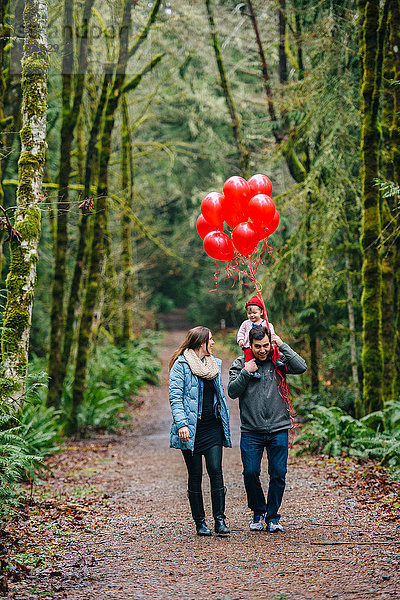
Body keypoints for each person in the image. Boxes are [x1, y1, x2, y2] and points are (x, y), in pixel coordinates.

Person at [228, 326, 307, 533]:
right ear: (250, 345)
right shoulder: (240, 363)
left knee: (278, 473)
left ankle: (272, 516)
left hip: (278, 427)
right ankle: (258, 512)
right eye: (257, 347)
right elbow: (232, 391)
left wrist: (282, 345)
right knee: (251, 472)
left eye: (265, 345)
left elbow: (301, 367)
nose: (262, 350)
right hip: (251, 430)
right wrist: (246, 372)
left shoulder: (278, 361)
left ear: (269, 343)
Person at [169, 326, 232, 536]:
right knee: (195, 475)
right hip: (191, 430)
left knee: (216, 470)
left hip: (212, 427)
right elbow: (175, 398)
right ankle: (200, 522)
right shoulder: (181, 365)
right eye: (210, 340)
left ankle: (220, 521)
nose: (213, 343)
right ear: (200, 343)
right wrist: (182, 425)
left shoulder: (213, 364)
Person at [237, 295, 275, 379]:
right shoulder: (246, 323)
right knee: (249, 358)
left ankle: (277, 360)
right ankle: (253, 371)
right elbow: (241, 332)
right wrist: (240, 340)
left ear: (261, 312)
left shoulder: (266, 324)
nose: (252, 315)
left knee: (273, 350)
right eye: (249, 313)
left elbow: (271, 332)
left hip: (264, 344)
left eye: (254, 313)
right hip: (248, 345)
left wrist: (273, 339)